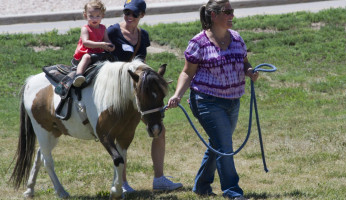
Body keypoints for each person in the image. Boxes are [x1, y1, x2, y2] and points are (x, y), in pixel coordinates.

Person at [167, 0, 259, 199]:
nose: (232, 15)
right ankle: (232, 191)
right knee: (225, 145)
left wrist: (250, 71)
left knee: (218, 144)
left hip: (233, 101)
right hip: (206, 101)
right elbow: (187, 73)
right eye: (227, 11)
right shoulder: (198, 43)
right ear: (214, 15)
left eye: (232, 11)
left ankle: (201, 185)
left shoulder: (236, 38)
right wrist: (177, 95)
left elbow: (244, 62)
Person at [107, 0, 183, 193]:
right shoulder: (113, 32)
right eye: (126, 13)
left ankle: (159, 179)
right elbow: (105, 61)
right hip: (118, 92)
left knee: (159, 130)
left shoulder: (143, 36)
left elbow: (142, 65)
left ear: (142, 15)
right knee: (121, 135)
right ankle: (122, 183)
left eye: (133, 14)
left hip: (137, 92)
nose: (128, 17)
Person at [72, 0, 115, 87]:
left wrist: (110, 45)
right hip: (86, 52)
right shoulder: (85, 28)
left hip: (98, 52)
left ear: (102, 16)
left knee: (112, 57)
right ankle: (79, 75)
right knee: (87, 57)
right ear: (85, 15)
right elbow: (86, 43)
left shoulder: (103, 28)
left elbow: (107, 40)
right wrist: (101, 44)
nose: (94, 19)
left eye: (97, 16)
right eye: (91, 16)